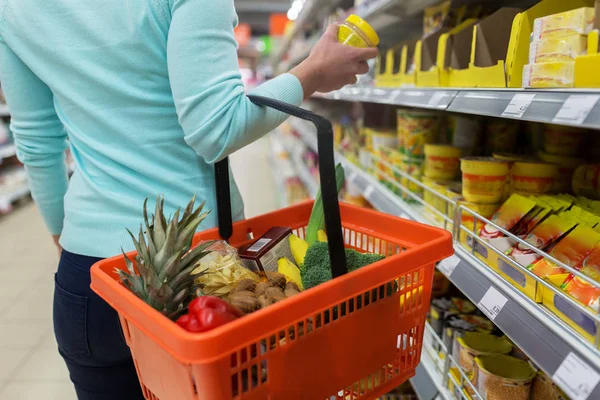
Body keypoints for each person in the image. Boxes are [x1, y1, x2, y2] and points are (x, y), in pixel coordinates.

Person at [0, 0, 378, 398]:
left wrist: (62, 231)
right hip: (197, 277)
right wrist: (311, 73)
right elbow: (217, 128)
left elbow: (38, 142)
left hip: (90, 281)